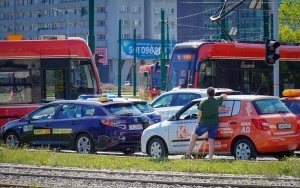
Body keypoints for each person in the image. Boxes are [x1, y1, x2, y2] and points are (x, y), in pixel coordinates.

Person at [182, 87, 227, 159]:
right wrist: (222, 96)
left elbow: (199, 114)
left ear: (207, 93)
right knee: (211, 141)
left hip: (205, 123)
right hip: (214, 124)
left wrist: (198, 122)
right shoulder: (217, 100)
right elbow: (224, 96)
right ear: (214, 93)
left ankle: (188, 154)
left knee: (194, 136)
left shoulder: (203, 102)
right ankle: (210, 158)